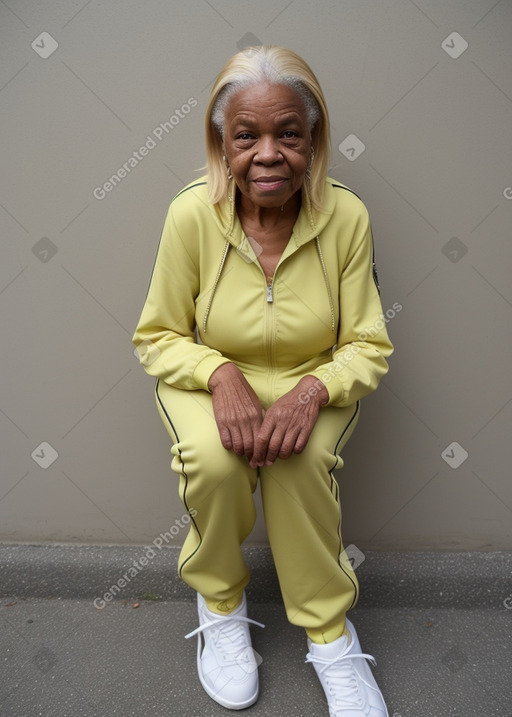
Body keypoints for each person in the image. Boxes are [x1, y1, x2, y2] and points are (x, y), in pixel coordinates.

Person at [132, 45, 393, 717]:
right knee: (214, 462)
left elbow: (367, 343)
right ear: (223, 143)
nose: (269, 153)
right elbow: (157, 336)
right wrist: (217, 372)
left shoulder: (347, 218)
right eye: (247, 136)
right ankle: (220, 605)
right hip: (208, 378)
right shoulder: (191, 214)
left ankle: (331, 635)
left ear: (314, 140)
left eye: (289, 134)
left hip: (316, 377)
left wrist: (313, 389)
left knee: (300, 462)